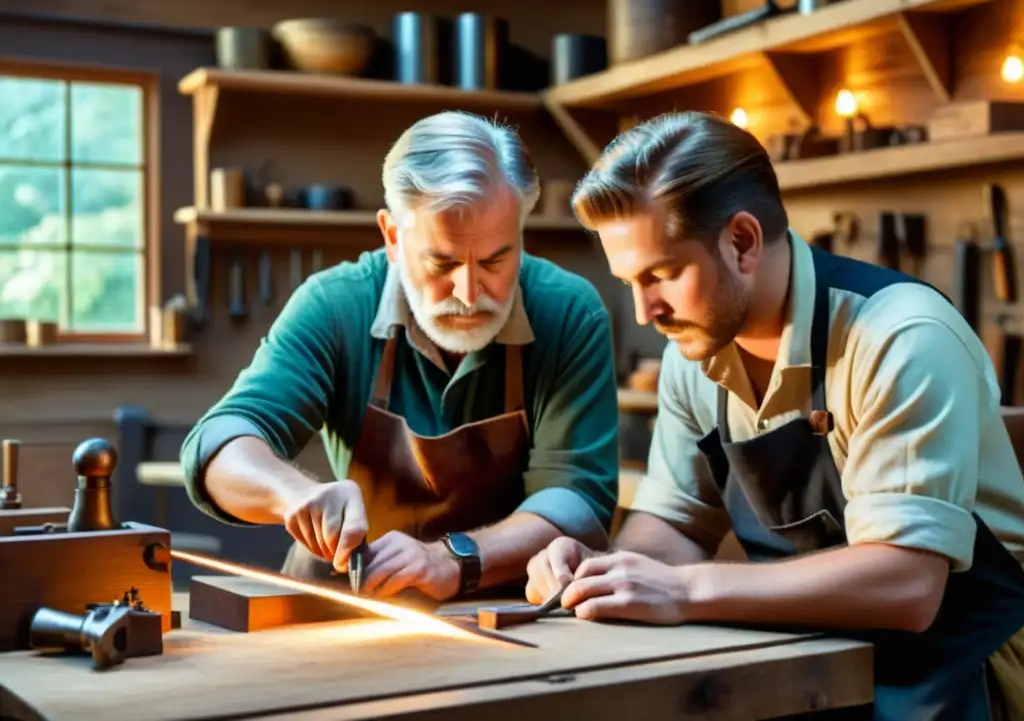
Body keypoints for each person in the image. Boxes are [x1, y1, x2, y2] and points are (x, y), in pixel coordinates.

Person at [525, 111, 1024, 719]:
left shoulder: (899, 336)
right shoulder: (697, 353)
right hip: (818, 654)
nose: (642, 312)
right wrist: (606, 575)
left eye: (661, 274)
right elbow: (675, 526)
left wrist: (684, 589)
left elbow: (907, 586)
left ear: (742, 242)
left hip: (967, 663)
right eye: (630, 281)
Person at [180, 110, 620, 602]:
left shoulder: (569, 312)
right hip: (353, 601)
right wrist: (295, 495)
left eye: (496, 259)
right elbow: (218, 443)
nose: (471, 292)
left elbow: (579, 499)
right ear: (392, 236)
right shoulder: (334, 305)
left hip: (508, 603)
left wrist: (452, 559)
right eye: (443, 262)